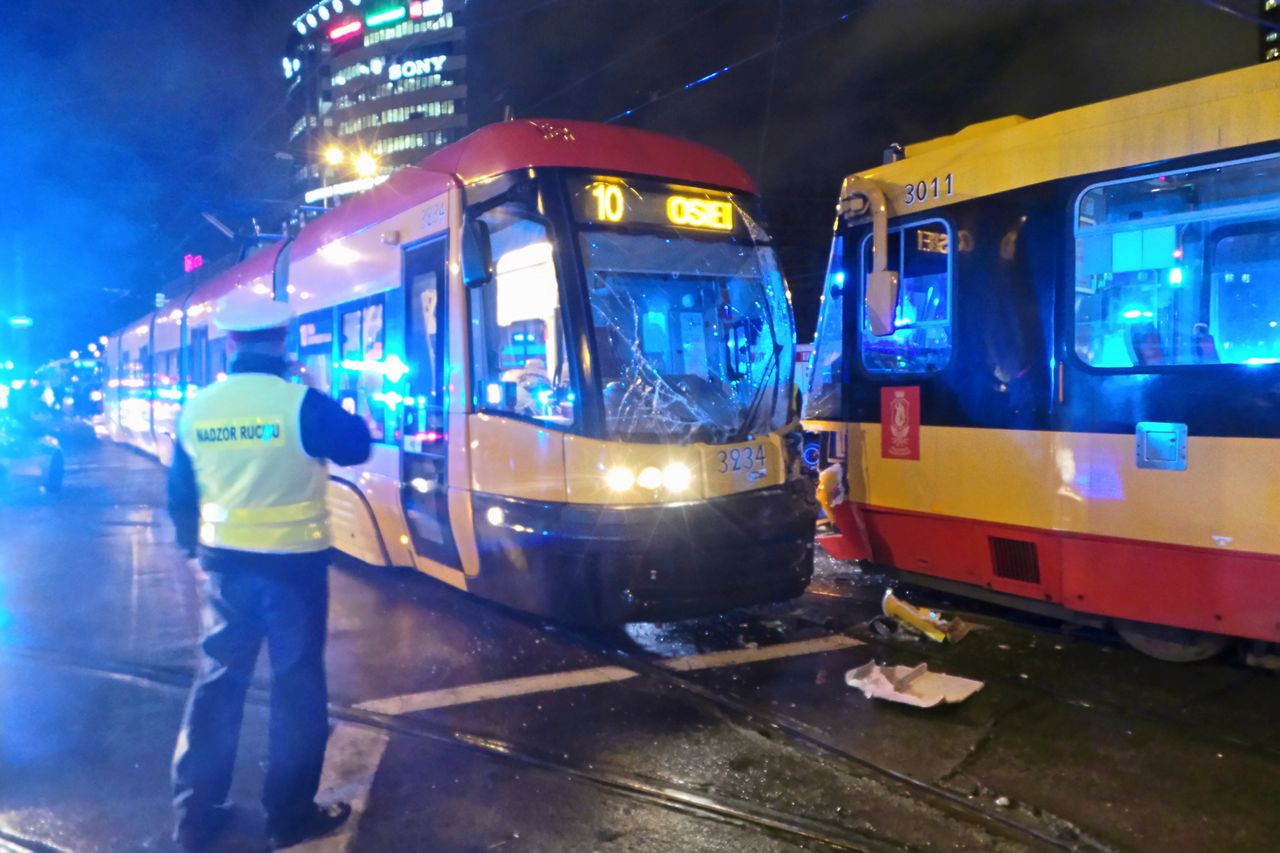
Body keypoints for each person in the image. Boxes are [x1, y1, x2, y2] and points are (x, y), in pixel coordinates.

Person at [167, 296, 372, 850]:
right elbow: (358, 446)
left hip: (227, 573)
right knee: (297, 692)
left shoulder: (198, 408)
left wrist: (194, 548)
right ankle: (287, 818)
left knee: (216, 688)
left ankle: (196, 817)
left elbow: (180, 494)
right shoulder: (302, 403)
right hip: (294, 575)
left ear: (230, 344)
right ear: (283, 341)